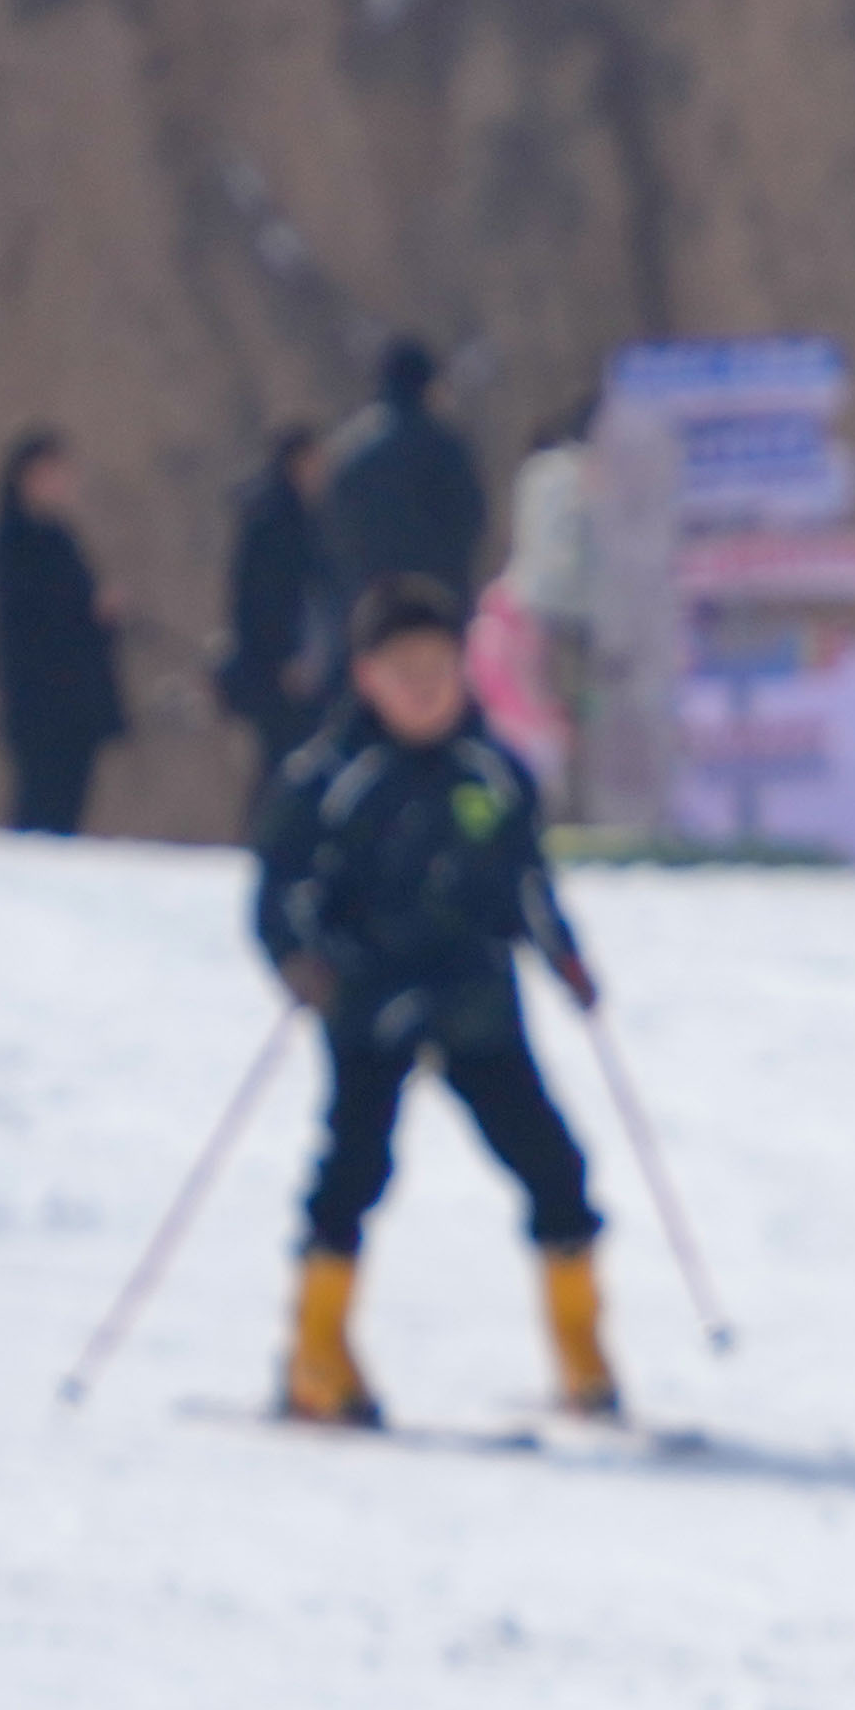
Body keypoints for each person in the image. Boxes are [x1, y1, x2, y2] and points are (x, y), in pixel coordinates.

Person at [248, 574, 617, 1432]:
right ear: (366, 677)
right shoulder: (330, 778)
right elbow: (277, 890)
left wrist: (562, 957)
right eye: (402, 671)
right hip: (366, 999)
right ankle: (317, 1350)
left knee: (553, 1163)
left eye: (439, 668)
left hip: (473, 998)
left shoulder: (493, 773)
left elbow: (528, 884)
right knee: (353, 1168)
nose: (423, 688)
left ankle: (582, 1348)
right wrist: (300, 960)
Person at [316, 336, 491, 695]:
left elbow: (333, 536)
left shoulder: (350, 456)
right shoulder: (447, 447)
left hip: (372, 606)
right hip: (441, 602)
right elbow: (473, 519)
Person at [0, 428, 129, 839]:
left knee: (69, 805)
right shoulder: (11, 540)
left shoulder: (62, 538)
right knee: (39, 802)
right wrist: (86, 610)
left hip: (77, 697)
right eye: (49, 474)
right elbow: (27, 616)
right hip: (38, 694)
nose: (60, 484)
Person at [215, 426, 334, 782]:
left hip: (279, 663)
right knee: (283, 762)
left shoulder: (286, 515)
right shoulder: (278, 522)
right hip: (280, 667)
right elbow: (268, 597)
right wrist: (286, 657)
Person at [503, 400, 596, 813]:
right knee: (585, 713)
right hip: (582, 614)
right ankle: (580, 804)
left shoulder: (536, 471)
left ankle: (553, 803)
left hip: (531, 609)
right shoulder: (593, 471)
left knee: (544, 716)